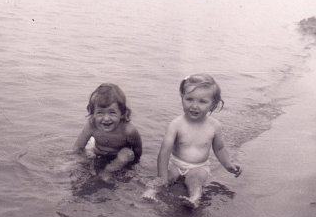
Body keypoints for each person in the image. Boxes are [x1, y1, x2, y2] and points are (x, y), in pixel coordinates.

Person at [145, 74, 241, 208]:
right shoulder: (176, 124)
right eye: (189, 99)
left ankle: (194, 198)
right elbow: (165, 151)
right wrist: (161, 177)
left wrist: (228, 164)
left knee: (195, 181)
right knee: (167, 176)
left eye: (202, 101)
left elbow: (219, 148)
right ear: (182, 97)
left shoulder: (214, 126)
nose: (194, 106)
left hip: (199, 167)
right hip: (176, 163)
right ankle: (151, 192)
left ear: (213, 104)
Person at [73, 83, 142, 182]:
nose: (106, 119)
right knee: (78, 159)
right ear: (93, 114)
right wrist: (79, 162)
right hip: (97, 151)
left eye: (112, 112)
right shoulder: (91, 125)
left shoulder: (128, 131)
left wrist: (131, 167)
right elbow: (77, 147)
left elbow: (138, 151)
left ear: (122, 113)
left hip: (118, 156)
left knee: (127, 153)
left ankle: (107, 172)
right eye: (100, 112)